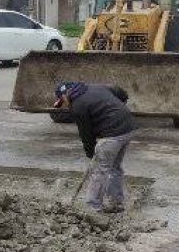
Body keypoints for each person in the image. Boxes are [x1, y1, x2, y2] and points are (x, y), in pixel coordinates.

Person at [53, 82, 136, 213]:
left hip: (113, 134)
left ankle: (92, 207)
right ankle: (117, 203)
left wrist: (91, 153)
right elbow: (121, 92)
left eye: (62, 101)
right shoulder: (97, 86)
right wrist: (117, 110)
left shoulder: (78, 106)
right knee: (114, 167)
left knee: (99, 169)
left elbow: (86, 134)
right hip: (128, 127)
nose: (65, 105)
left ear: (65, 95)